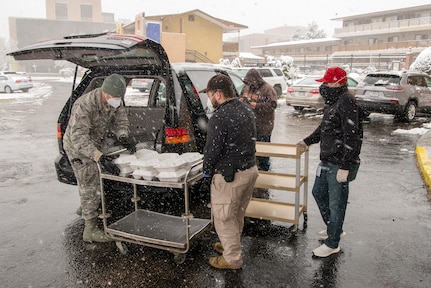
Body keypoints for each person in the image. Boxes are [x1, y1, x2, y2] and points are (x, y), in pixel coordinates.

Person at [297, 67, 363, 258]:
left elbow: (352, 137)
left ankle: (332, 243)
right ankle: (334, 228)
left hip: (339, 163)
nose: (323, 86)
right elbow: (324, 128)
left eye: (326, 83)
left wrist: (345, 166)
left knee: (337, 204)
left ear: (338, 83)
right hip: (327, 160)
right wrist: (307, 141)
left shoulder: (347, 102)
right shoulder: (333, 101)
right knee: (318, 193)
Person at [63, 73, 135, 243]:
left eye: (119, 97)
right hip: (78, 148)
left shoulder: (114, 100)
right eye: (115, 97)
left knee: (95, 183)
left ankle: (87, 207)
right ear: (105, 92)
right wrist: (98, 156)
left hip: (96, 142)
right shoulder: (84, 105)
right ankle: (90, 229)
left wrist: (123, 136)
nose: (117, 101)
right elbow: (78, 138)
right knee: (89, 183)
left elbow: (121, 120)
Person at [201, 74, 259, 270]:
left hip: (230, 176)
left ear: (218, 94)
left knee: (224, 218)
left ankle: (232, 258)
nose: (209, 99)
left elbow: (212, 150)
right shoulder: (245, 108)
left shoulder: (219, 117)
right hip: (249, 170)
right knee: (236, 215)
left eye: (209, 95)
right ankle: (231, 245)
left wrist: (206, 171)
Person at [240, 68, 277, 171]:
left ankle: (265, 172)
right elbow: (240, 97)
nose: (250, 85)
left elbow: (273, 105)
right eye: (248, 83)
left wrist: (256, 105)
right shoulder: (246, 88)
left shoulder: (268, 89)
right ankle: (253, 172)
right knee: (250, 153)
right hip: (249, 128)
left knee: (263, 155)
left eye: (252, 83)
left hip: (263, 128)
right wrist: (242, 101)